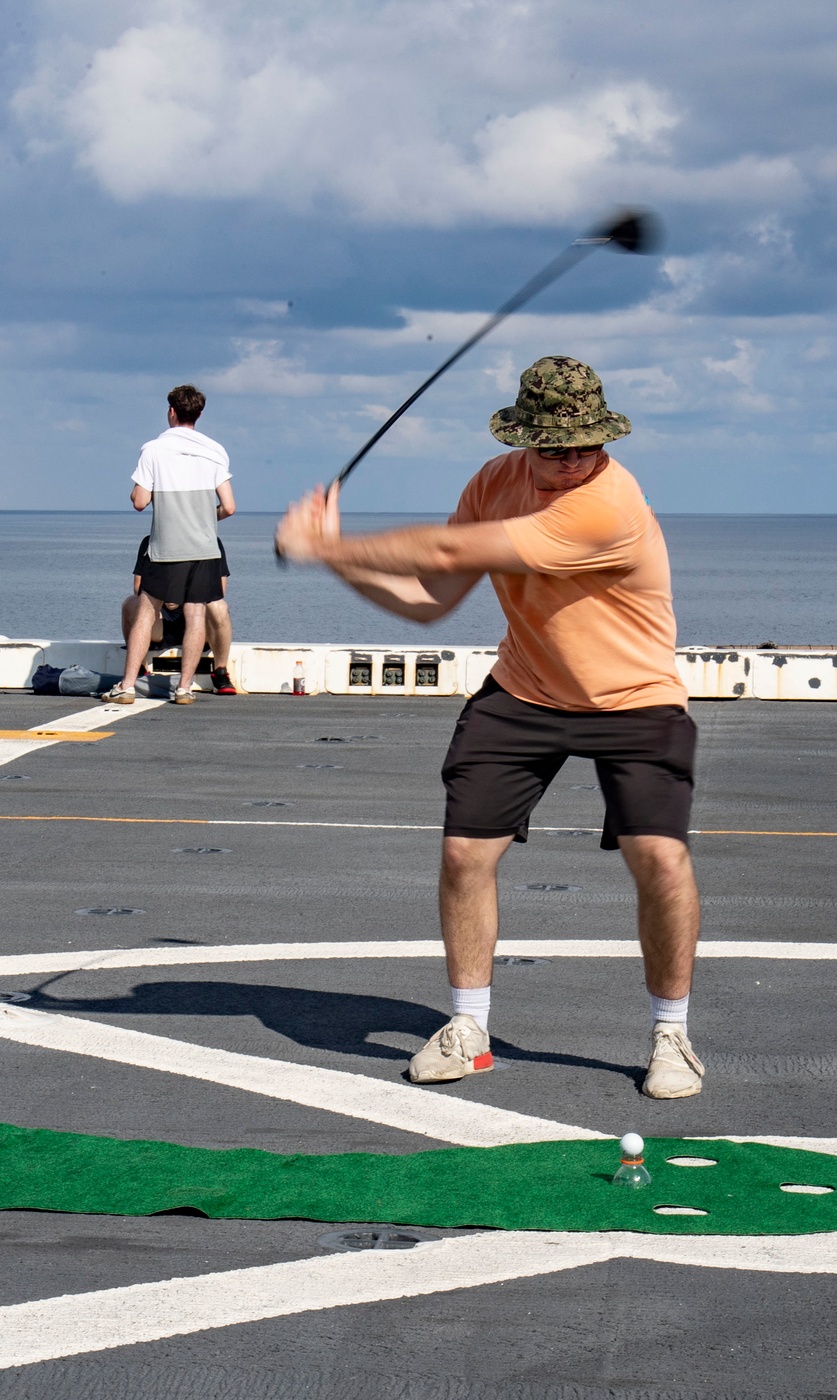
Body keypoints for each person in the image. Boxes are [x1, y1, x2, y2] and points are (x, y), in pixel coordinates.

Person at [275, 356, 702, 1100]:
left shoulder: (608, 505)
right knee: (465, 855)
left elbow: (444, 551)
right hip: (524, 690)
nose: (571, 460)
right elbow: (431, 599)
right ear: (524, 440)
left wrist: (327, 544)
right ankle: (469, 1029)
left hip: (633, 698)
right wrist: (336, 561)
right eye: (554, 447)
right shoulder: (493, 482)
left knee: (659, 860)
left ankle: (672, 1036)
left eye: (586, 445)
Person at [103, 385, 235, 705]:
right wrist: (202, 518)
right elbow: (229, 507)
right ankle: (185, 688)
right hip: (204, 546)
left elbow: (139, 501)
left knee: (147, 611)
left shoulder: (153, 449)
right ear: (199, 415)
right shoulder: (215, 450)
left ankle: (129, 685)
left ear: (171, 412)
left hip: (166, 546)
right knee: (196, 615)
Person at [122, 535, 237, 694]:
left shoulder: (211, 541)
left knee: (219, 606)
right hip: (161, 622)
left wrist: (181, 597)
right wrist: (163, 598)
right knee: (131, 604)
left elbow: (220, 589)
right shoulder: (151, 541)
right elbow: (138, 587)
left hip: (198, 619)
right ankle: (140, 670)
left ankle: (220, 673)